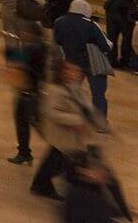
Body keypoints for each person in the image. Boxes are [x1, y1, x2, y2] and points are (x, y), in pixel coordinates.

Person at [30, 60, 115, 202]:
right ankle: (45, 186)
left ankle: (41, 185)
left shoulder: (77, 90)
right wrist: (76, 121)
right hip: (61, 133)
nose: (76, 74)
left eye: (76, 71)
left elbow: (88, 110)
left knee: (56, 160)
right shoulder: (54, 90)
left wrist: (102, 125)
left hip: (72, 135)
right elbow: (52, 112)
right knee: (59, 161)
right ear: (62, 73)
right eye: (71, 70)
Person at [54, 0, 116, 117]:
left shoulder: (59, 22)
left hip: (71, 61)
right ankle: (100, 122)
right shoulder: (90, 24)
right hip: (93, 62)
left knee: (71, 91)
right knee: (98, 94)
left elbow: (58, 41)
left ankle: (72, 116)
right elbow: (106, 45)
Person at [6, 18, 51, 166]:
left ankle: (24, 153)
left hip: (27, 92)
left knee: (24, 122)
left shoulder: (31, 48)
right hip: (37, 90)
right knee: (36, 122)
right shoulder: (44, 46)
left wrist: (10, 44)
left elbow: (14, 58)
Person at [107, 0, 138, 71]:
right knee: (127, 39)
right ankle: (124, 61)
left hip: (111, 13)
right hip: (125, 16)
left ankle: (112, 60)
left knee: (112, 38)